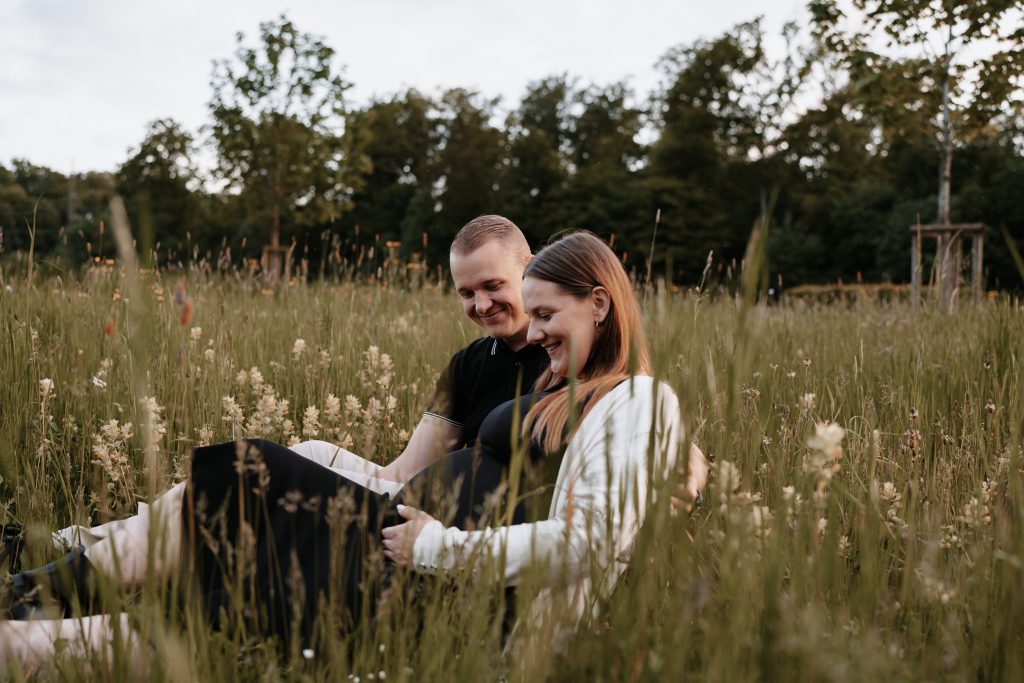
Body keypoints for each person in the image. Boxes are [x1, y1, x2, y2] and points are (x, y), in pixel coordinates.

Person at [1, 229, 703, 669]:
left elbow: (597, 534)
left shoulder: (638, 399)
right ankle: (30, 592)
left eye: (540, 309)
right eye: (470, 292)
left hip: (432, 571)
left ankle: (30, 621)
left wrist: (438, 546)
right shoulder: (536, 375)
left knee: (241, 554)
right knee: (241, 487)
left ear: (600, 304)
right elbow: (413, 466)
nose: (527, 323)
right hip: (405, 535)